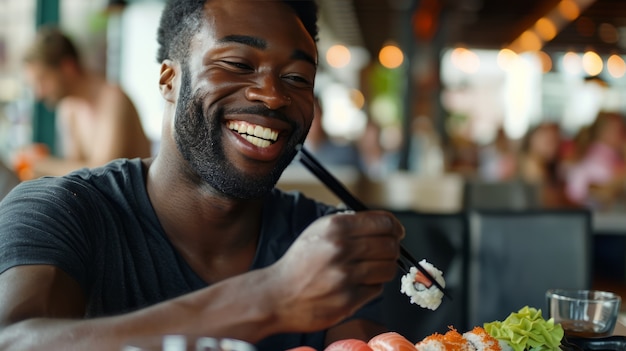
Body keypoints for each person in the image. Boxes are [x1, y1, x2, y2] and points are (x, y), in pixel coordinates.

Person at [0, 1, 405, 351]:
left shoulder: (326, 239)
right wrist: (266, 299)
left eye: (297, 78)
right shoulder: (60, 211)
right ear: (168, 80)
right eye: (238, 64)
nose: (273, 95)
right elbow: (14, 340)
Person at [16, 26, 152, 180]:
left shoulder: (113, 98)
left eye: (43, 80)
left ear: (67, 67)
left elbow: (103, 174)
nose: (39, 94)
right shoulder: (69, 109)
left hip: (134, 203)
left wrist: (39, 164)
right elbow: (74, 176)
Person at [564, 111, 626, 209]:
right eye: (620, 131)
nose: (623, 135)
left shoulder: (611, 156)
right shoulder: (597, 159)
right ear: (604, 132)